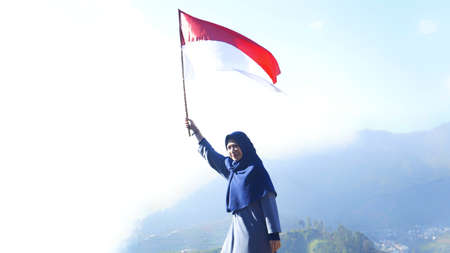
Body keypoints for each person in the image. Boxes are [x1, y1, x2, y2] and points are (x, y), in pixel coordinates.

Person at [186, 118, 282, 253]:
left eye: (236, 146)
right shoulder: (232, 169)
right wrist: (196, 132)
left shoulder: (256, 170)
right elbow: (211, 155)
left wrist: (274, 234)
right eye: (229, 147)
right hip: (237, 228)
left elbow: (268, 200)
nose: (232, 150)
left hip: (255, 231)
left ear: (244, 146)